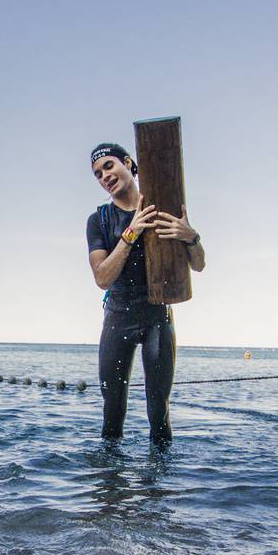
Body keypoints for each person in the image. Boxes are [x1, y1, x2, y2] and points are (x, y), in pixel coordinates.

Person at [85, 142, 203, 442]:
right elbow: (102, 277)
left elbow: (199, 265)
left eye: (109, 166)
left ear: (128, 163)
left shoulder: (163, 207)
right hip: (118, 319)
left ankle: (159, 488)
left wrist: (191, 237)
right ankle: (111, 488)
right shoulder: (99, 220)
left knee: (158, 412)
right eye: (98, 174)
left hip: (157, 319)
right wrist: (131, 233)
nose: (104, 176)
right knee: (112, 412)